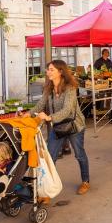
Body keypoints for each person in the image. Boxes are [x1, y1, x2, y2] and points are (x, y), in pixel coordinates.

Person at [31, 60, 89, 195]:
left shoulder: (70, 88)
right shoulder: (49, 88)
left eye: (51, 69)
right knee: (50, 157)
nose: (48, 72)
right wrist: (26, 114)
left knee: (79, 155)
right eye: (48, 69)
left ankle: (85, 181)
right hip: (58, 126)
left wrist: (49, 117)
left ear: (60, 71)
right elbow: (40, 104)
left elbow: (68, 110)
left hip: (75, 126)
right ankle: (49, 188)